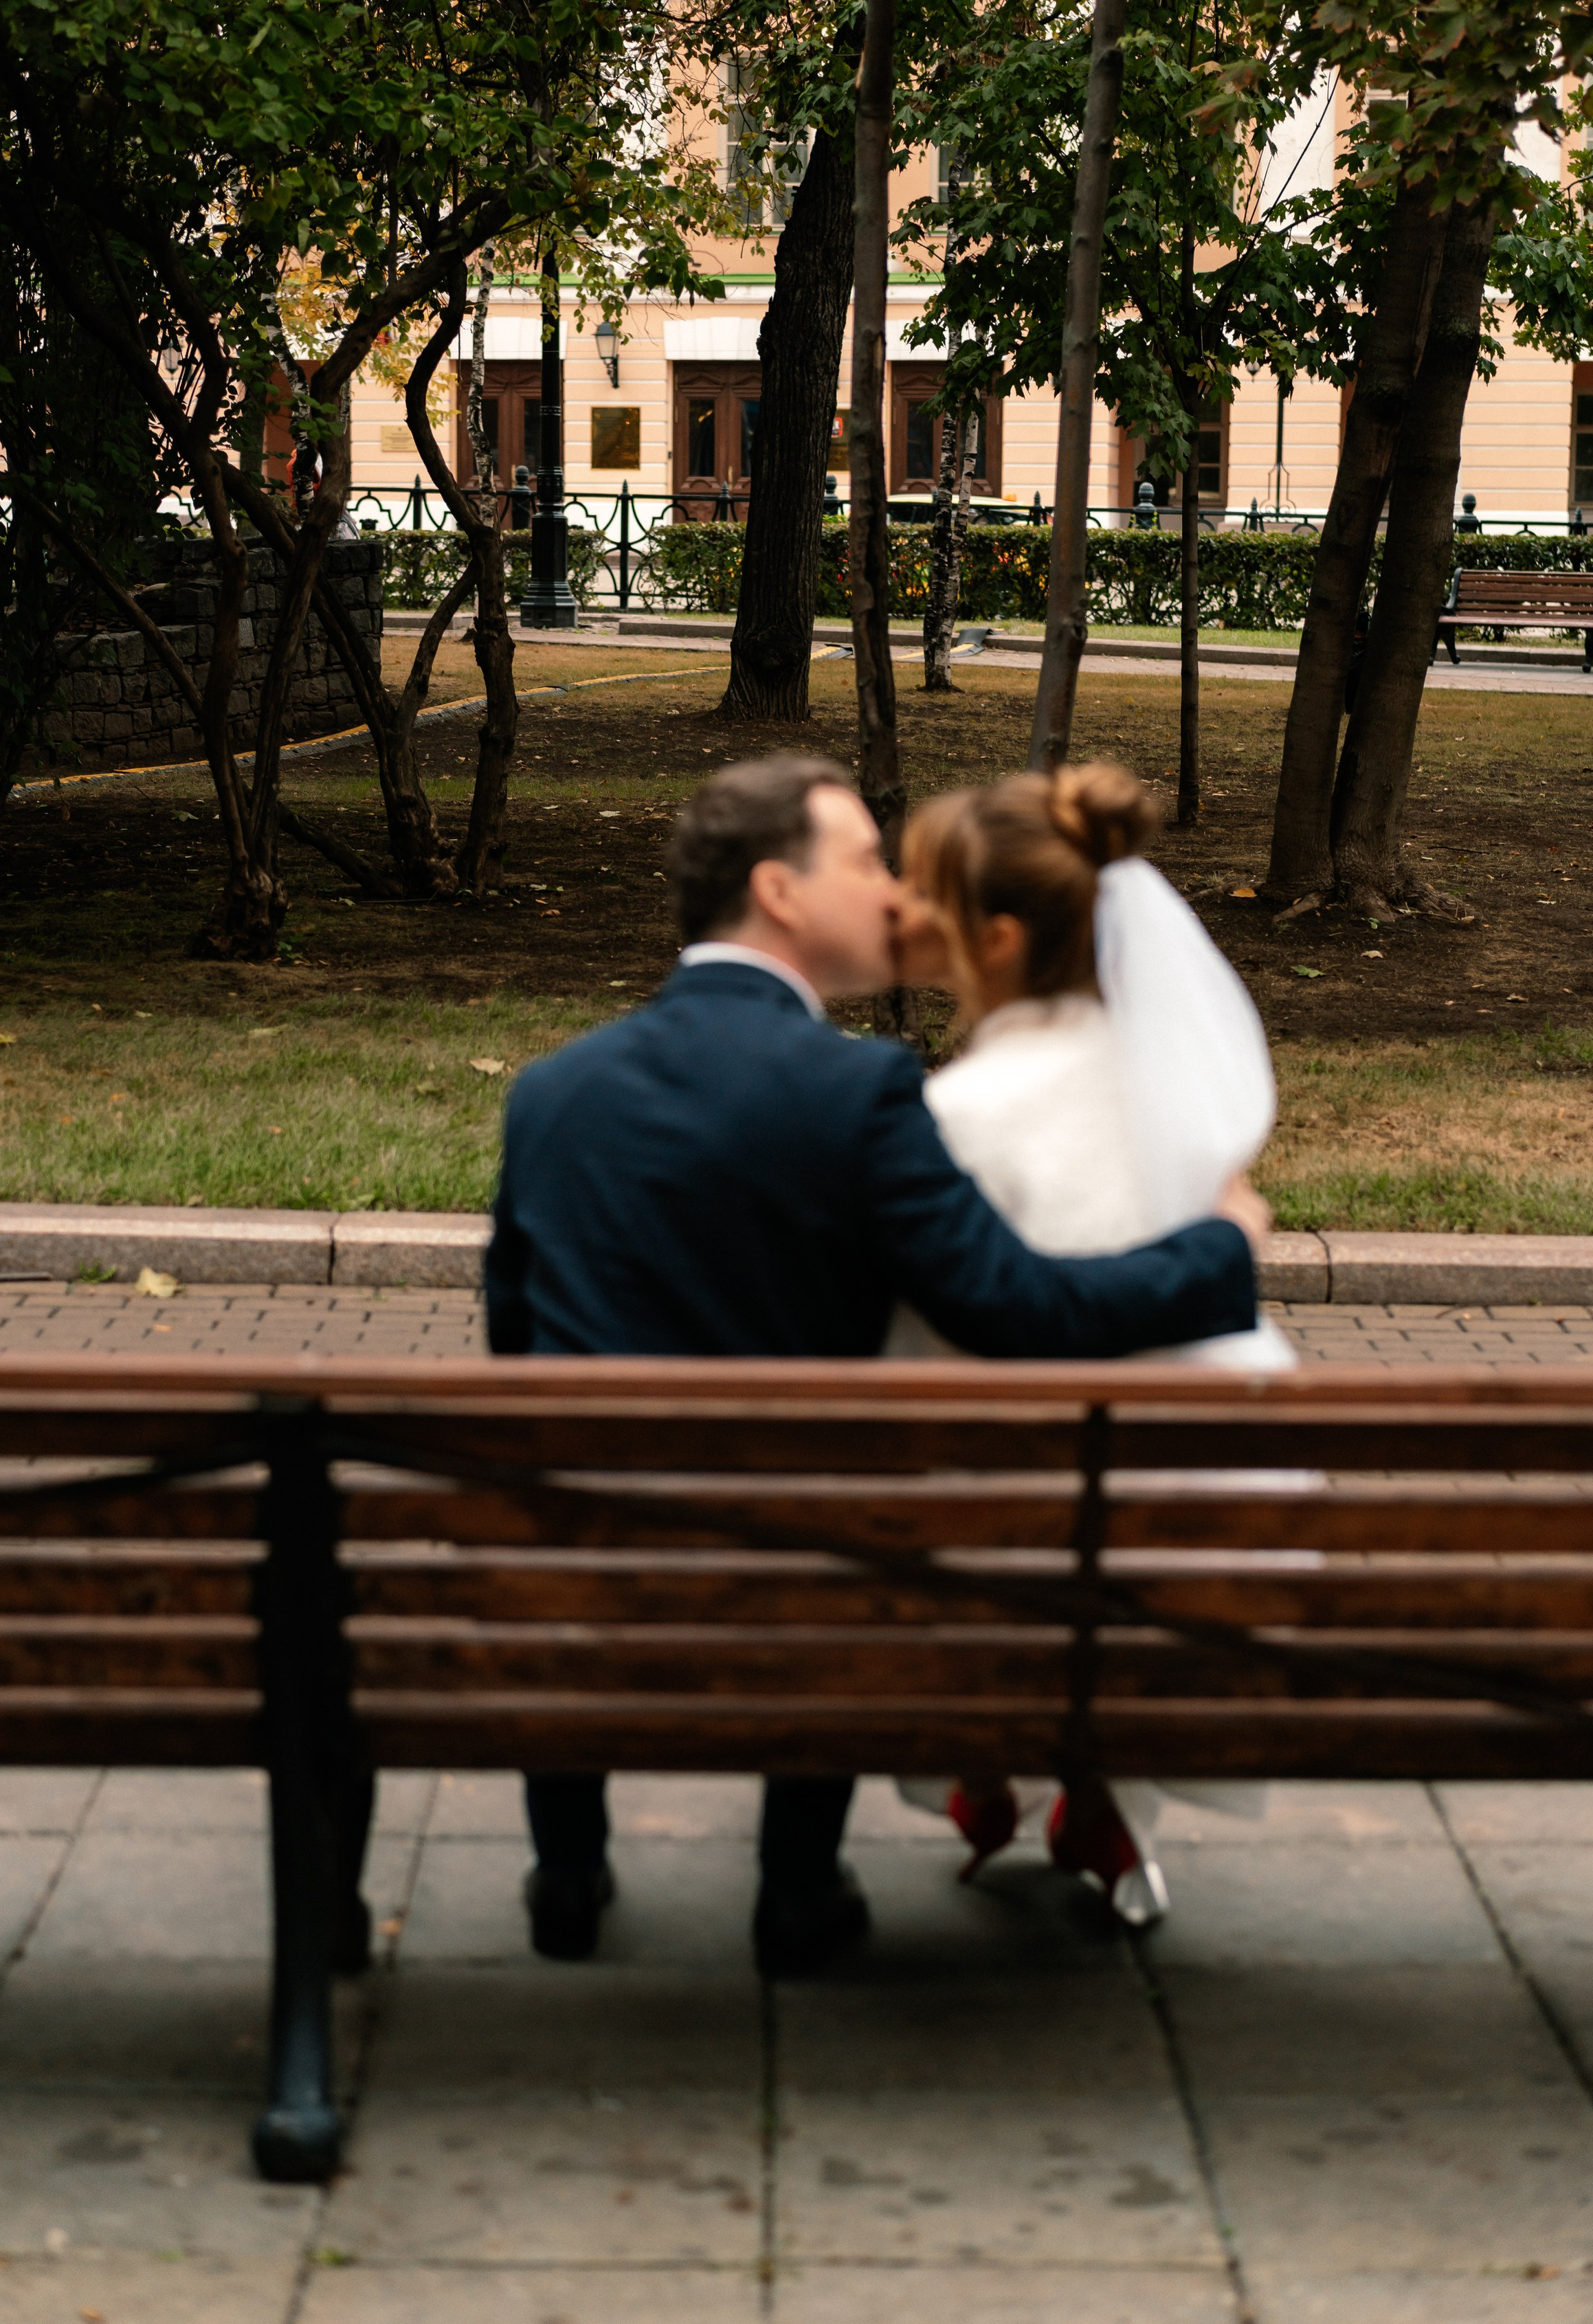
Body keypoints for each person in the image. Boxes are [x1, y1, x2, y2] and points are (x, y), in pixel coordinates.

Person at [485, 755, 1268, 1977]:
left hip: (585, 1571)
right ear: (779, 893)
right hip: (801, 1583)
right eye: (864, 861)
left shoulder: (552, 1093)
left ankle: (569, 1866)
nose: (896, 895)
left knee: (571, 1497)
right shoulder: (860, 1093)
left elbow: (512, 1348)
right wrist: (1221, 1249)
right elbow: (1020, 1307)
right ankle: (795, 1886)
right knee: (832, 1513)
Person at [887, 763, 1291, 1922]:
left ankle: (988, 1754)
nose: (912, 918)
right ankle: (1107, 1796)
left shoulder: (957, 1117)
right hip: (1186, 1522)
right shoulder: (1182, 1097)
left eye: (931, 899)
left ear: (999, 940)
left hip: (1000, 1521)